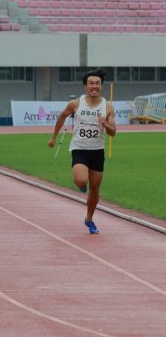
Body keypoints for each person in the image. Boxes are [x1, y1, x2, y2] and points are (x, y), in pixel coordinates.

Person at [48, 68, 116, 234]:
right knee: (80, 180)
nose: (94, 86)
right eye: (91, 83)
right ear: (85, 86)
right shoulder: (76, 104)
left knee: (95, 188)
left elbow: (113, 132)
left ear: (101, 86)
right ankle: (81, 185)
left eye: (97, 83)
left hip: (97, 151)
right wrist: (54, 138)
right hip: (80, 149)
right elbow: (62, 117)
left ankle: (89, 219)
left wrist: (105, 124)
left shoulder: (107, 107)